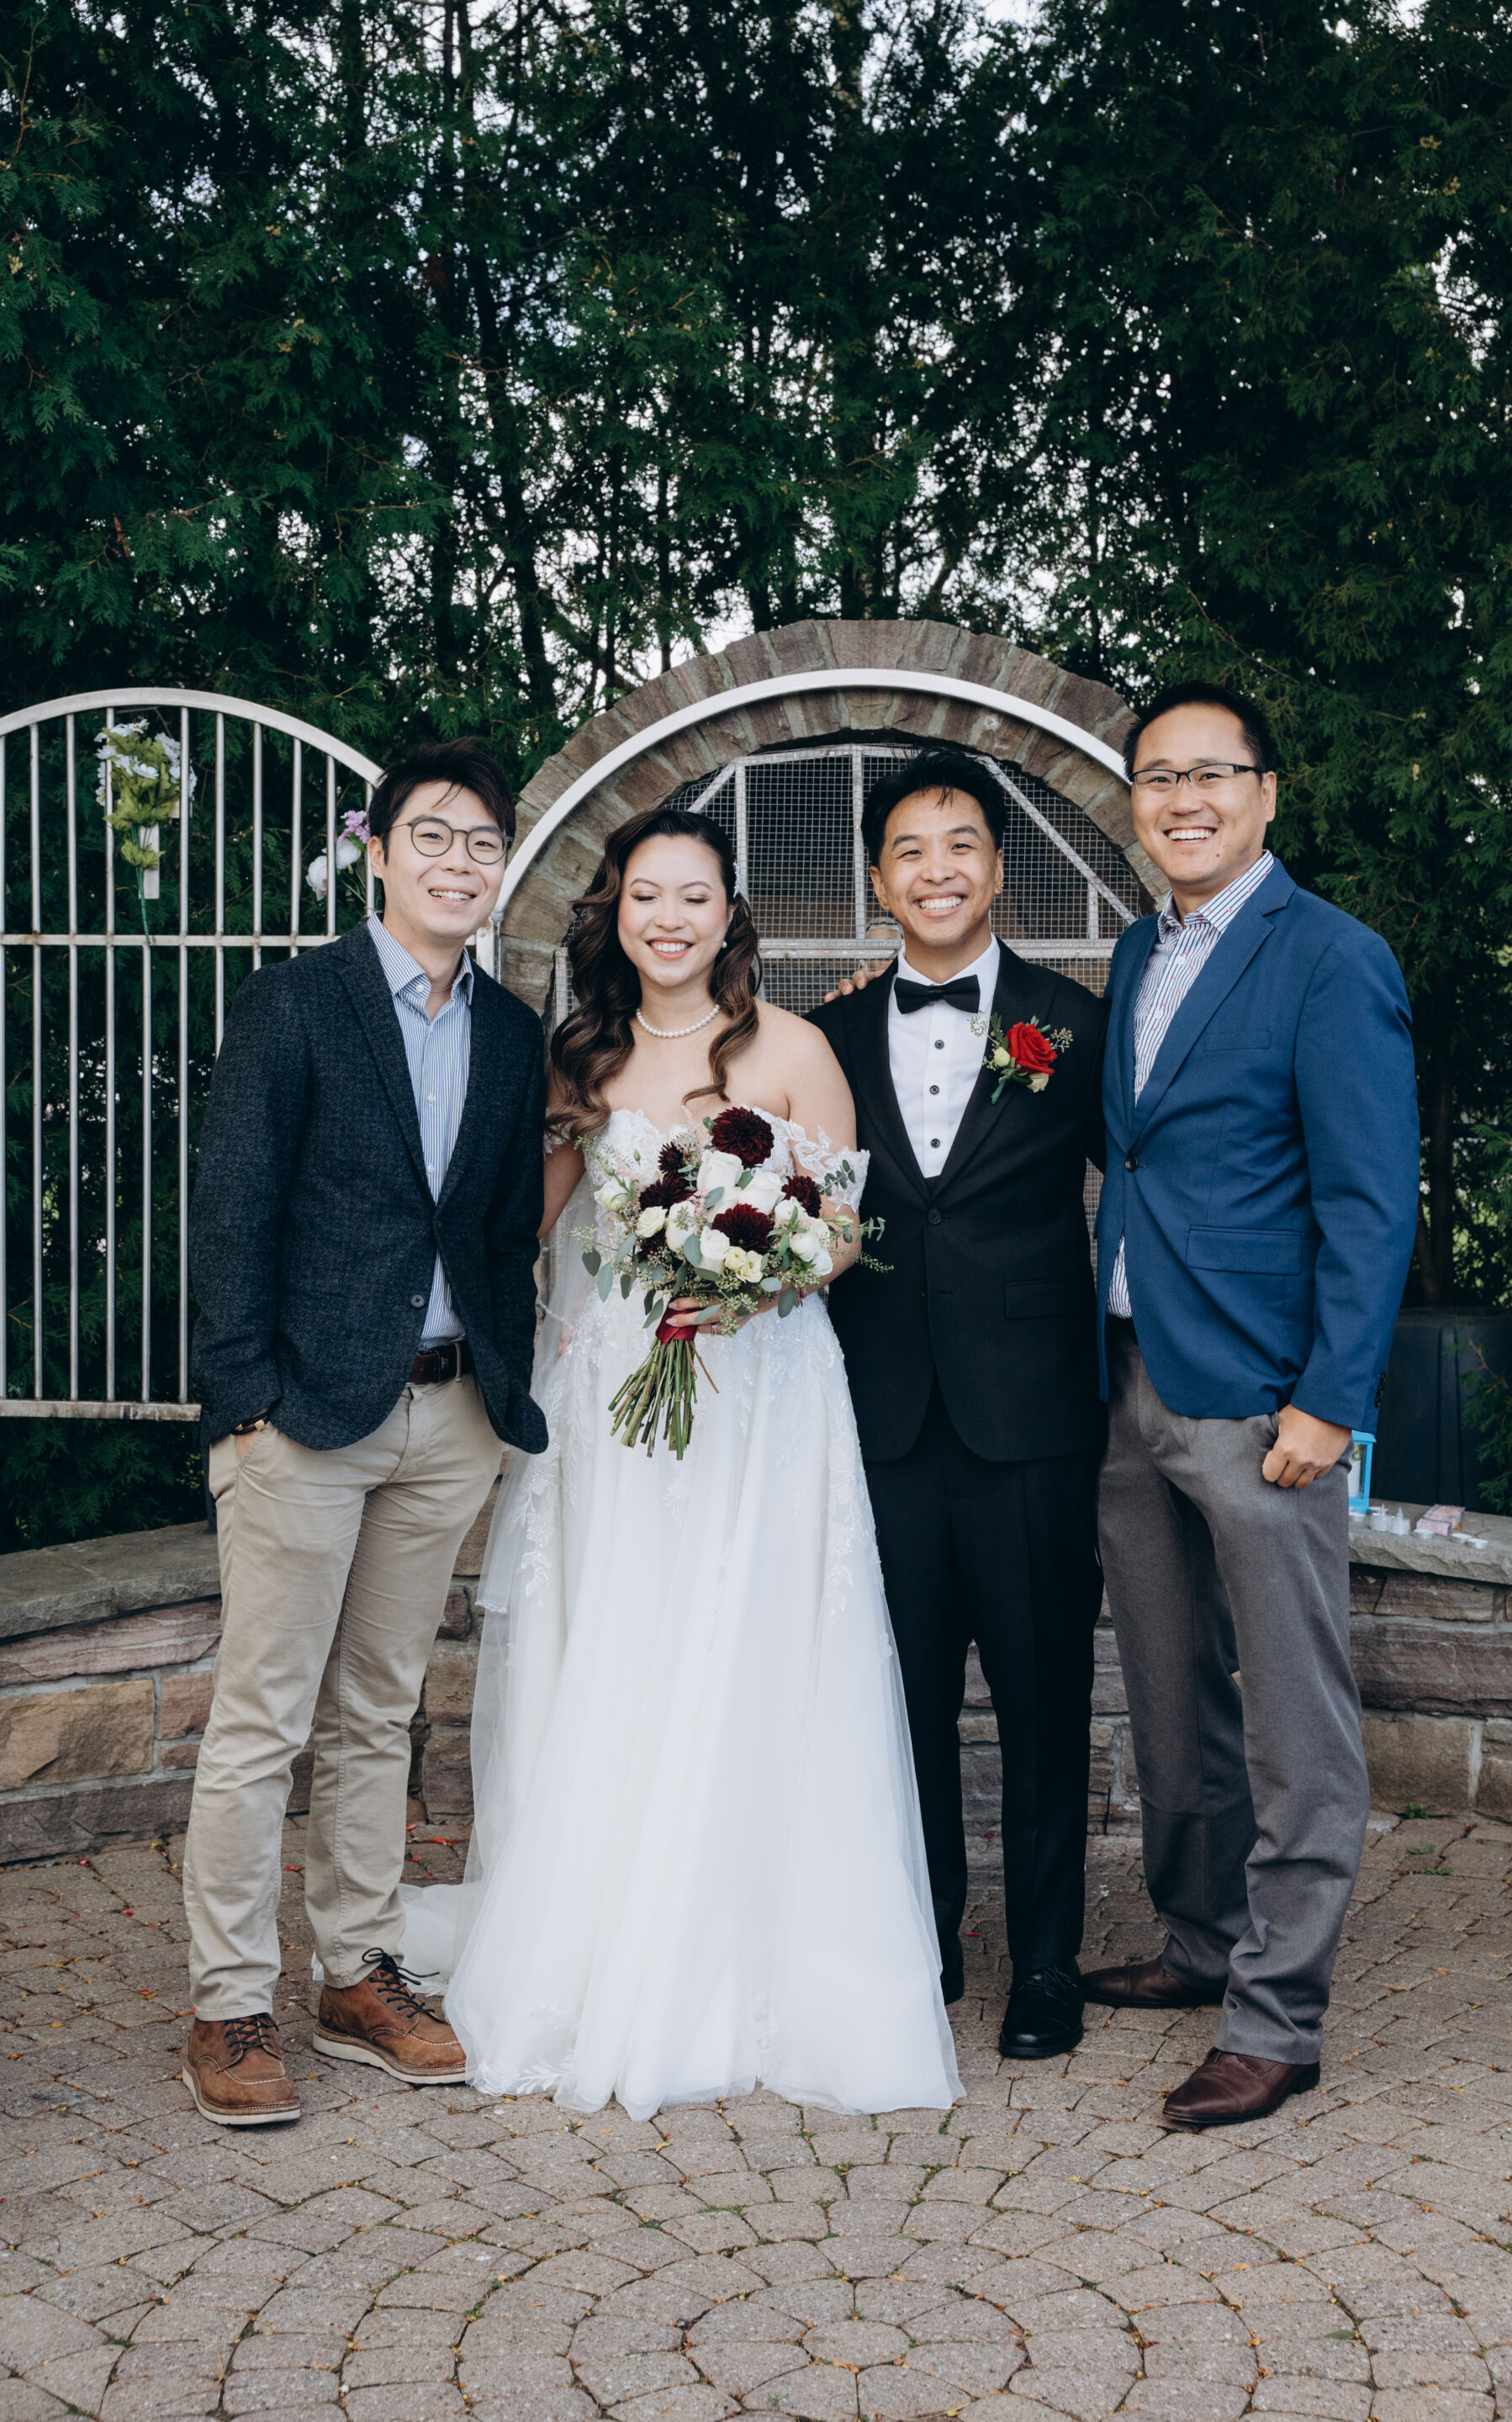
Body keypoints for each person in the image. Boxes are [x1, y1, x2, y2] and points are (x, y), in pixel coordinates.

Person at [403, 801, 960, 2121]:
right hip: (616, 1388)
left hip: (762, 1394)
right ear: (615, 912)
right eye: (645, 896)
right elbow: (533, 1226)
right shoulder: (579, 1059)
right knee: (626, 1631)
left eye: (694, 895)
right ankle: (604, 1933)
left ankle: (757, 1950)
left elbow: (839, 1230)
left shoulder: (793, 1047)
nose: (669, 919)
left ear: (729, 913)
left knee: (755, 1635)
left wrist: (754, 1278)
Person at [182, 738, 548, 2127]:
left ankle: (355, 1973)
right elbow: (232, 1211)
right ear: (378, 853)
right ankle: (228, 2004)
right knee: (263, 1717)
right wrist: (247, 1401)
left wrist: (500, 1394)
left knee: (381, 1708)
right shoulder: (297, 1002)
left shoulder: (510, 1032)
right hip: (306, 1420)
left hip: (450, 1419)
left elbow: (499, 1228)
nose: (460, 862)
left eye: (482, 843)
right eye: (432, 837)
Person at [1084, 680, 1419, 2129]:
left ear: (1266, 792)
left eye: (1212, 772)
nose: (1185, 798)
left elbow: (1371, 1199)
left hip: (1264, 1401)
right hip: (1129, 1383)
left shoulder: (1333, 958)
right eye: (1160, 777)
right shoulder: (1136, 952)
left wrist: (1330, 1401)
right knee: (1169, 1697)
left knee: (1294, 1720)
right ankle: (1202, 1941)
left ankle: (1278, 2019)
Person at [811, 749, 1108, 2062]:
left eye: (961, 845)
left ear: (998, 867)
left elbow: (1145, 1189)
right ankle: (922, 1945)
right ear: (880, 882)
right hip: (880, 1424)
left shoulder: (1074, 1023)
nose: (937, 871)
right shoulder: (823, 1036)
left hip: (1032, 1422)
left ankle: (1047, 1965)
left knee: (1045, 1704)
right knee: (902, 1704)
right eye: (911, 852)